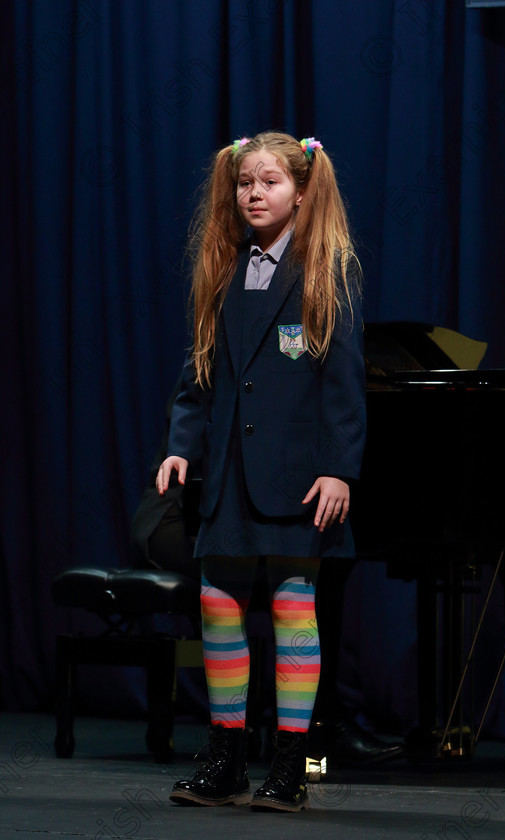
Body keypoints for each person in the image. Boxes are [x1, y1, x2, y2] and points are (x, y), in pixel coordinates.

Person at [156, 131, 367, 812]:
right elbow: (200, 378)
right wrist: (181, 445)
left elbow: (344, 387)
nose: (255, 193)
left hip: (297, 477)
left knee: (291, 605)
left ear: (301, 192)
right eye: (246, 182)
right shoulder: (222, 270)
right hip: (228, 477)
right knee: (218, 604)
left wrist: (339, 470)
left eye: (271, 182)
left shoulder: (322, 271)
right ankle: (225, 754)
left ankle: (289, 763)